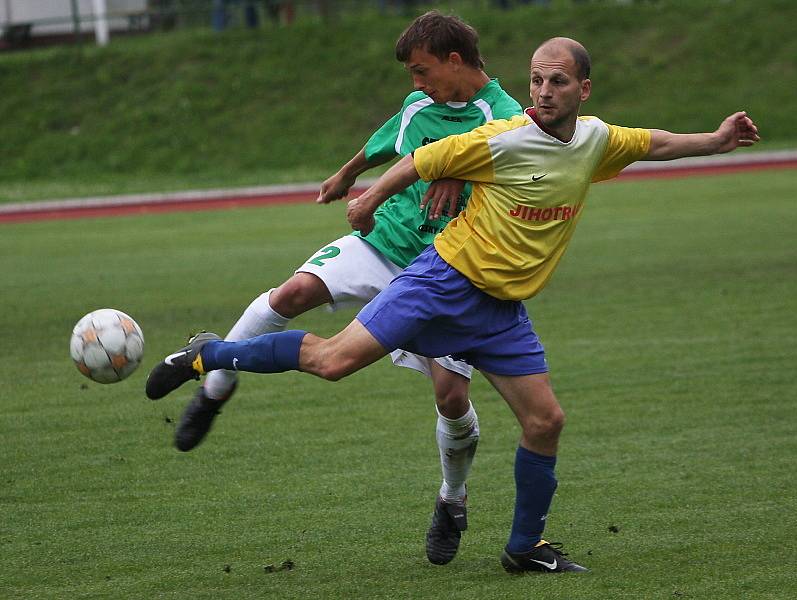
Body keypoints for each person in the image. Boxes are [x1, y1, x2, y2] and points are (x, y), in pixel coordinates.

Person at [146, 37, 759, 573]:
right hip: (442, 282)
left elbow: (656, 142)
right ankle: (208, 357)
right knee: (332, 362)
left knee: (544, 422)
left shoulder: (595, 140)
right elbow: (421, 159)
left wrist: (718, 138)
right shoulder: (504, 138)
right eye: (537, 79)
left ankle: (524, 548)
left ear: (583, 87)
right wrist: (365, 200)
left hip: (500, 312)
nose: (544, 90)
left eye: (558, 80)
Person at [155, 11, 522, 567]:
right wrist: (348, 174)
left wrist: (458, 170)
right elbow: (385, 143)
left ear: (455, 61)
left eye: (422, 71)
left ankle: (452, 498)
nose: (416, 84)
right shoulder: (419, 106)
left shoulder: (509, 118)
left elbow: (514, 174)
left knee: (452, 396)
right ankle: (214, 388)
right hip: (385, 241)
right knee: (290, 294)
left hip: (446, 272)